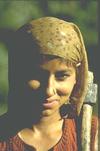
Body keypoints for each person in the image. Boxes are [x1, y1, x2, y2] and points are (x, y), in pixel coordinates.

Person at [0, 17, 98, 151]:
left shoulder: (93, 135)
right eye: (36, 75)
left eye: (62, 76)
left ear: (78, 76)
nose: (48, 90)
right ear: (18, 74)